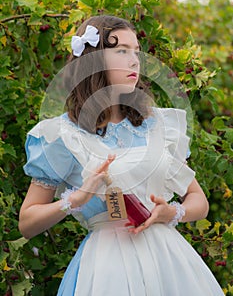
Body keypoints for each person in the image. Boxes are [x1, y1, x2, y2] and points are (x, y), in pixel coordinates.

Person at [19, 15, 224, 295]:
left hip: (169, 261)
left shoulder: (158, 126)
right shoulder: (61, 135)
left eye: (136, 52)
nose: (134, 61)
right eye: (122, 51)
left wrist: (172, 212)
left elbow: (198, 201)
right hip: (105, 270)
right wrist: (76, 200)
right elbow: (27, 223)